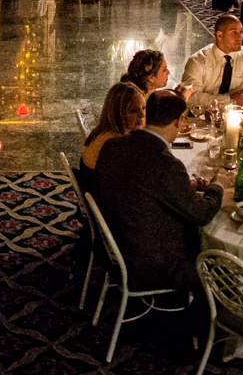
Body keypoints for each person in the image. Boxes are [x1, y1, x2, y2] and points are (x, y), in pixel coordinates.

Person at [93, 90, 223, 295]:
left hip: (115, 246)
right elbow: (202, 214)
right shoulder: (167, 165)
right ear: (179, 122)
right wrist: (218, 185)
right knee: (219, 262)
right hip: (151, 265)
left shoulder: (112, 145)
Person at [181, 14, 243, 109]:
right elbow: (191, 98)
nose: (240, 37)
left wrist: (208, 99)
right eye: (234, 33)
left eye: (241, 32)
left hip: (237, 115)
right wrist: (229, 100)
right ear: (219, 35)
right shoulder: (198, 60)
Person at [79, 81, 145, 184]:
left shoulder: (104, 131)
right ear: (118, 113)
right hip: (101, 195)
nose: (142, 115)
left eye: (143, 108)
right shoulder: (115, 143)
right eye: (133, 111)